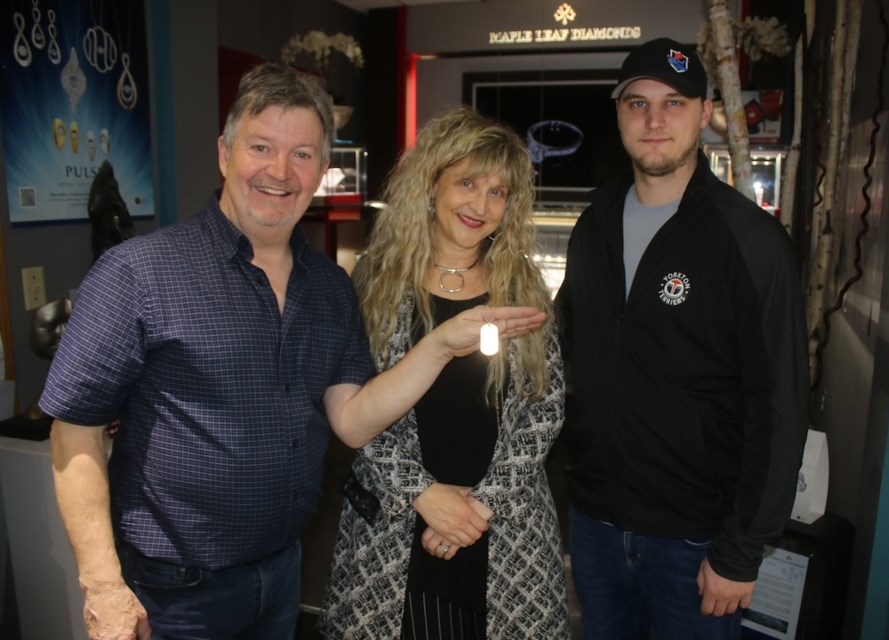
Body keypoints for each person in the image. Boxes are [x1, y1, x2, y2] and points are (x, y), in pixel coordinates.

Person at [39, 64, 546, 640]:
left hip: (283, 577)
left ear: (322, 173)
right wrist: (103, 585)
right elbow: (73, 430)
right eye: (261, 147)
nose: (280, 172)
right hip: (173, 592)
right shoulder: (138, 272)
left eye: (302, 155)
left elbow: (353, 422)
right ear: (225, 154)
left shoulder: (329, 286)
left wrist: (438, 345)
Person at [554, 38, 809, 639]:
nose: (654, 120)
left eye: (673, 103)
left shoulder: (750, 241)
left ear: (704, 111)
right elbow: (567, 351)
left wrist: (740, 550)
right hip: (594, 524)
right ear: (618, 113)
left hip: (696, 544)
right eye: (637, 103)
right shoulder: (593, 226)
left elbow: (779, 406)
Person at [320, 106, 570, 639]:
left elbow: (544, 410)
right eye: (468, 182)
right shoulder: (375, 282)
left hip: (505, 535)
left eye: (498, 192)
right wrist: (423, 494)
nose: (481, 204)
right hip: (392, 534)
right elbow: (353, 406)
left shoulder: (523, 286)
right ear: (432, 186)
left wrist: (479, 507)